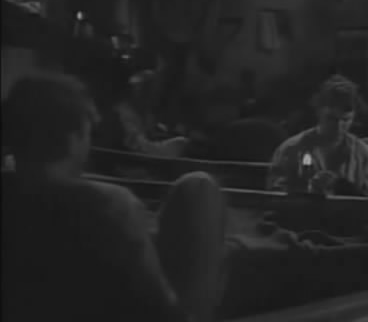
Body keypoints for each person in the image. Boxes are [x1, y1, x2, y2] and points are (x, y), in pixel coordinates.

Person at [1, 73, 227, 322]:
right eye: (87, 134)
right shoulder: (108, 205)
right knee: (198, 188)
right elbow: (159, 309)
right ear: (74, 139)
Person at [266, 75, 368, 197]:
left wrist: (343, 187)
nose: (339, 126)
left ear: (353, 117)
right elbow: (275, 194)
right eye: (331, 118)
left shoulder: (365, 157)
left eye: (345, 120)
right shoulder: (290, 149)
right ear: (319, 112)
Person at [97, 68, 190, 158]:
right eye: (144, 88)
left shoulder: (146, 113)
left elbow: (152, 133)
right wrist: (176, 145)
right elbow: (141, 149)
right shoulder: (121, 114)